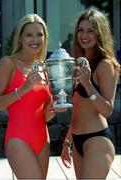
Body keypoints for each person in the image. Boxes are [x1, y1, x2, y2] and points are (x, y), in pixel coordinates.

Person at [0, 14, 66, 179]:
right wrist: (24, 89)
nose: (35, 39)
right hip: (18, 139)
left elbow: (43, 116)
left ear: (45, 38)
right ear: (20, 39)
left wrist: (52, 109)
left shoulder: (44, 68)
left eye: (39, 34)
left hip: (42, 139)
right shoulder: (8, 63)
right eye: (29, 35)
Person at [61, 9, 120, 179]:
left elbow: (107, 110)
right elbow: (78, 108)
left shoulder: (106, 65)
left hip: (98, 140)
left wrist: (87, 84)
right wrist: (67, 141)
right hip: (77, 140)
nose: (84, 35)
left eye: (90, 30)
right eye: (81, 30)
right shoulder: (78, 64)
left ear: (99, 33)